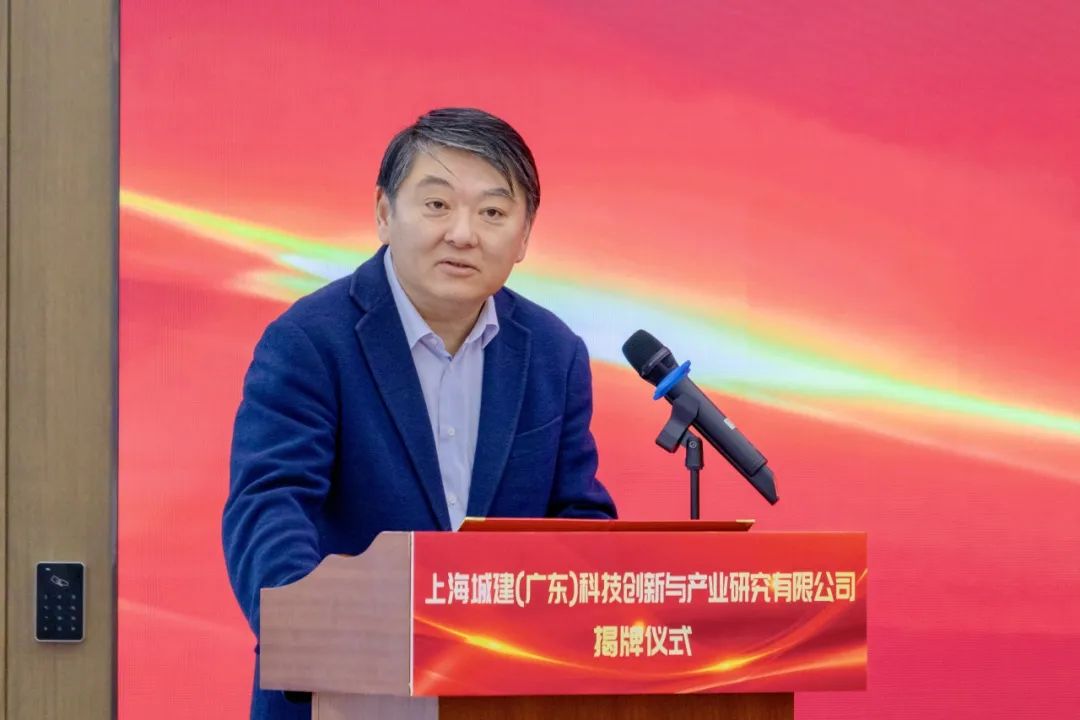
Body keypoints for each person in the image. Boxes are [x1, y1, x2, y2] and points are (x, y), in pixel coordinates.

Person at [222, 107, 617, 719]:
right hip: (343, 697)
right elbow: (271, 504)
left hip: (504, 694)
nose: (463, 233)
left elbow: (576, 517)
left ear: (524, 238)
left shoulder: (552, 353)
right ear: (384, 213)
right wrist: (312, 637)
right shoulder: (310, 341)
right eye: (437, 205)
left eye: (493, 212)